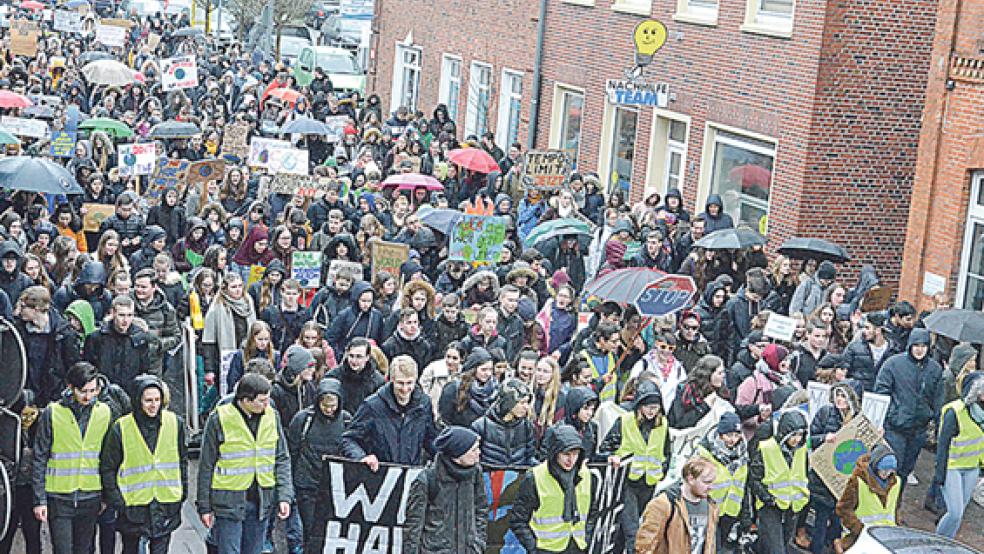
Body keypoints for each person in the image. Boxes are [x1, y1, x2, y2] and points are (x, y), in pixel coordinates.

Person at [196, 373, 294, 554]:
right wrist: (204, 506)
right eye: (262, 400)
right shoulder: (219, 419)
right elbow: (206, 465)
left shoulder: (272, 416)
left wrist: (284, 496)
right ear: (246, 400)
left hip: (261, 500)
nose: (267, 404)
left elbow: (281, 458)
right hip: (228, 500)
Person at [99, 375, 188, 554]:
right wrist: (117, 501)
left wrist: (183, 491)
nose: (153, 405)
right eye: (148, 400)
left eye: (157, 400)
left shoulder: (174, 423)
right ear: (137, 400)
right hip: (133, 507)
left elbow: (181, 460)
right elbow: (108, 467)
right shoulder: (121, 428)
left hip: (165, 503)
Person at [32, 362, 111, 554]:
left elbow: (109, 458)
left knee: (84, 549)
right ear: (70, 387)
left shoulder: (104, 412)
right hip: (59, 496)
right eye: (83, 391)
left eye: (93, 391)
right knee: (62, 549)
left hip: (91, 495)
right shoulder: (53, 412)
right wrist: (39, 499)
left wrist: (106, 496)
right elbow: (40, 456)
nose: (89, 396)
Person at [599, 380, 669, 553]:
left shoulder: (663, 425)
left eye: (655, 407)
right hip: (627, 483)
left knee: (625, 532)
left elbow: (667, 453)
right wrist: (612, 457)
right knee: (633, 532)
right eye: (647, 407)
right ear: (639, 406)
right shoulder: (624, 421)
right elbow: (605, 449)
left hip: (648, 484)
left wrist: (661, 472)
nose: (652, 411)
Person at [874, 328, 944, 488]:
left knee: (905, 472)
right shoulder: (893, 364)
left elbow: (938, 400)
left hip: (918, 430)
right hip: (895, 428)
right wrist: (889, 416)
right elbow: (881, 393)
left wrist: (936, 424)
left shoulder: (934, 370)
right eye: (916, 345)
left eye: (923, 346)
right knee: (889, 469)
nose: (919, 349)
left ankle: (895, 506)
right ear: (910, 345)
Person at [510, 424, 595, 554]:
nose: (571, 460)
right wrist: (534, 548)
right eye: (566, 454)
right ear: (555, 452)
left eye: (576, 454)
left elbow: (592, 512)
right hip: (546, 549)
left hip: (577, 545)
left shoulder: (586, 475)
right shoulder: (535, 477)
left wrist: (587, 537)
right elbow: (518, 519)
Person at [288, 378, 351, 553]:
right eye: (325, 406)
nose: (330, 410)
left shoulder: (346, 421)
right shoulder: (303, 420)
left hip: (335, 487)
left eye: (333, 406)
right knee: (311, 530)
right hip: (307, 484)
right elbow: (292, 451)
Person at [342, 355, 439, 468]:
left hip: (411, 474)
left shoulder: (424, 403)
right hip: (381, 475)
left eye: (409, 383)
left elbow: (430, 439)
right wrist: (362, 457)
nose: (405, 389)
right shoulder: (372, 406)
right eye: (400, 383)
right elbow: (349, 439)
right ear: (392, 380)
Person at [404, 426, 489, 554]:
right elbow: (413, 526)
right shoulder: (426, 480)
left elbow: (481, 509)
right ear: (458, 453)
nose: (479, 453)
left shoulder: (476, 473)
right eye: (474, 450)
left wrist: (478, 542)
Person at [808, 380, 861, 554]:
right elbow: (809, 439)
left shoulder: (858, 420)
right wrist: (824, 438)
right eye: (837, 395)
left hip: (843, 479)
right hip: (823, 477)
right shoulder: (825, 413)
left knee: (838, 515)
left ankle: (835, 544)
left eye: (844, 396)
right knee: (821, 518)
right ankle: (817, 548)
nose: (839, 399)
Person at [748, 409, 810, 554]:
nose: (797, 439)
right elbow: (754, 478)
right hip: (770, 505)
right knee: (777, 549)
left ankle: (754, 548)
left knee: (780, 542)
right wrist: (767, 498)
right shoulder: (766, 448)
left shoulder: (802, 450)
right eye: (793, 435)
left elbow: (804, 475)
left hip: (793, 505)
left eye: (800, 435)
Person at [933, 371, 984, 538]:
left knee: (959, 515)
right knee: (955, 512)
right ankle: (936, 541)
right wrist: (939, 473)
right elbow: (942, 445)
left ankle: (948, 542)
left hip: (972, 468)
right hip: (952, 467)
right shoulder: (955, 412)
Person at [635, 455, 719, 554]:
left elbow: (710, 545)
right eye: (706, 482)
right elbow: (645, 546)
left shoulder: (711, 507)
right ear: (691, 479)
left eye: (712, 482)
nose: (711, 487)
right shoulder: (663, 504)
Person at [695, 412, 748, 549]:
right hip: (708, 509)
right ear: (720, 434)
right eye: (729, 435)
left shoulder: (743, 455)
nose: (733, 439)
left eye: (736, 435)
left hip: (730, 512)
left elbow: (743, 486)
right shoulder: (706, 453)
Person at [836, 444, 900, 549]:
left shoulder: (896, 483)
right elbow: (843, 508)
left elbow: (895, 509)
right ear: (875, 466)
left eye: (890, 471)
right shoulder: (858, 481)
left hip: (885, 539)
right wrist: (858, 529)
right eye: (883, 470)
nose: (886, 474)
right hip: (859, 538)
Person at [471, 379, 538, 467]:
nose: (526, 407)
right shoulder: (481, 426)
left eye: (527, 402)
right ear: (509, 402)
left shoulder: (527, 426)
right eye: (522, 402)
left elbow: (530, 456)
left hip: (519, 476)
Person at [325, 337, 385, 415]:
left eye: (359, 357)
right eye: (351, 356)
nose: (354, 361)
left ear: (367, 357)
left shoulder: (378, 381)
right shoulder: (333, 376)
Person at [843, 312, 891, 392]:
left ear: (878, 330)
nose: (864, 331)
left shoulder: (893, 350)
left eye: (867, 328)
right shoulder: (854, 347)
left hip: (880, 396)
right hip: (856, 394)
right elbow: (843, 372)